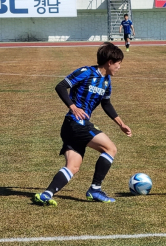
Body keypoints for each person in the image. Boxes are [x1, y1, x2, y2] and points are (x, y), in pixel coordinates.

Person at [32, 42, 132, 207]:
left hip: (73, 127)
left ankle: (45, 194)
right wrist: (72, 106)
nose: (119, 67)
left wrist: (121, 124)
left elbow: (106, 104)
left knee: (73, 166)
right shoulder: (86, 72)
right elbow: (61, 86)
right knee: (110, 149)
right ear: (109, 62)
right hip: (75, 123)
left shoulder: (106, 81)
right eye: (118, 63)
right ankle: (95, 189)